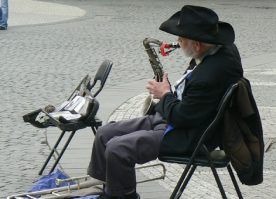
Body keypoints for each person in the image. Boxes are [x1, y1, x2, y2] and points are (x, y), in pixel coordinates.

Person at [87, 5, 243, 199]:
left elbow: (182, 117)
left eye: (181, 38)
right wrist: (170, 94)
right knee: (104, 133)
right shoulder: (218, 48)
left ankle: (121, 196)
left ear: (197, 44)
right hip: (176, 118)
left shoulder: (209, 75)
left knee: (117, 148)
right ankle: (109, 189)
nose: (177, 41)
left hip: (189, 135)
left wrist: (164, 94)